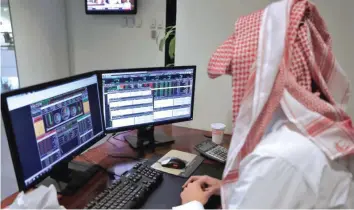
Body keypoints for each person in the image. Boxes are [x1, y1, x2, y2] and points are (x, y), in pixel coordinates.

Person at [174, 0, 354, 209]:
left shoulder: (278, 157)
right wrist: (227, 187)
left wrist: (191, 204)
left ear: (262, 78)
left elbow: (276, 180)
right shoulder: (305, 137)